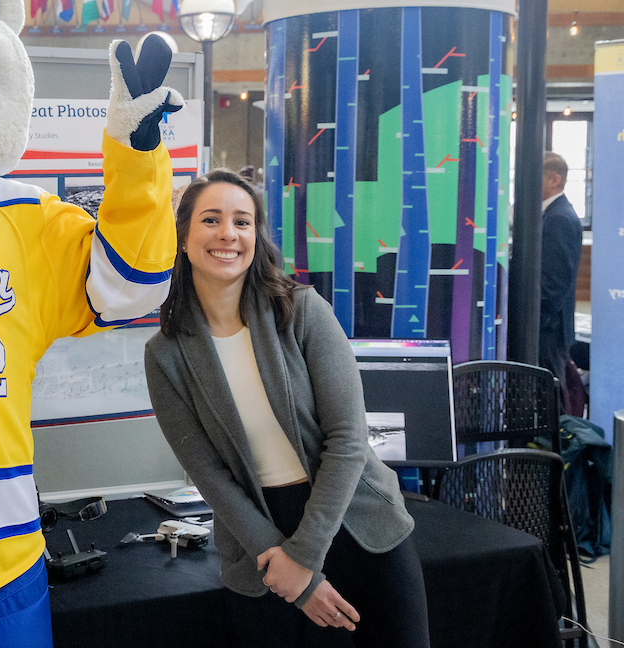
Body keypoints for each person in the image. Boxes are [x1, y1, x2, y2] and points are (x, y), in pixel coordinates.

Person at [145, 169, 429, 648]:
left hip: (356, 518)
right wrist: (287, 568)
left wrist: (303, 559)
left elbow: (348, 441)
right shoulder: (166, 354)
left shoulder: (302, 311)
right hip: (259, 542)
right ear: (184, 238)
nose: (228, 234)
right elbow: (211, 476)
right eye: (211, 220)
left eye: (242, 221)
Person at [539, 151, 584, 414]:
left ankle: (553, 453)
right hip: (547, 328)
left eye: (536, 177)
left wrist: (530, 321)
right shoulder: (551, 214)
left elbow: (553, 287)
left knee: (550, 401)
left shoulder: (559, 218)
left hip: (548, 331)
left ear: (555, 180)